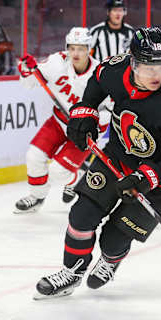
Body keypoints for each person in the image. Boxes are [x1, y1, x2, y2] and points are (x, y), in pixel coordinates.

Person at [33, 27, 161, 299]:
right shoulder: (116, 70)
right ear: (133, 62)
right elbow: (97, 82)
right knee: (82, 215)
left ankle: (111, 260)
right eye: (148, 67)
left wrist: (150, 176)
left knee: (114, 239)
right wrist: (86, 111)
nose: (156, 74)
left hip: (159, 180)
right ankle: (71, 272)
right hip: (117, 157)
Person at [14, 27, 110, 213]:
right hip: (59, 122)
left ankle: (76, 179)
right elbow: (29, 82)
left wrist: (90, 128)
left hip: (84, 132)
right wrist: (26, 71)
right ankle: (37, 197)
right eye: (72, 48)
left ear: (89, 49)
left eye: (81, 49)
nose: (75, 53)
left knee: (58, 172)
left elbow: (109, 109)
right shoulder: (56, 62)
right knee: (34, 156)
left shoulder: (100, 74)